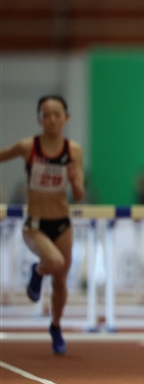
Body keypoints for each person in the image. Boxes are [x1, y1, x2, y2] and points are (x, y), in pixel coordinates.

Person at [0, 95, 85, 354]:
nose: (51, 120)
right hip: (35, 224)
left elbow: (79, 195)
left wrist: (73, 180)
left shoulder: (73, 151)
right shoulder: (28, 146)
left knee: (60, 282)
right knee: (55, 263)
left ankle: (56, 326)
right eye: (46, 115)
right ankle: (37, 273)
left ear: (66, 118)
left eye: (57, 114)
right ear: (39, 118)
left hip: (62, 223)